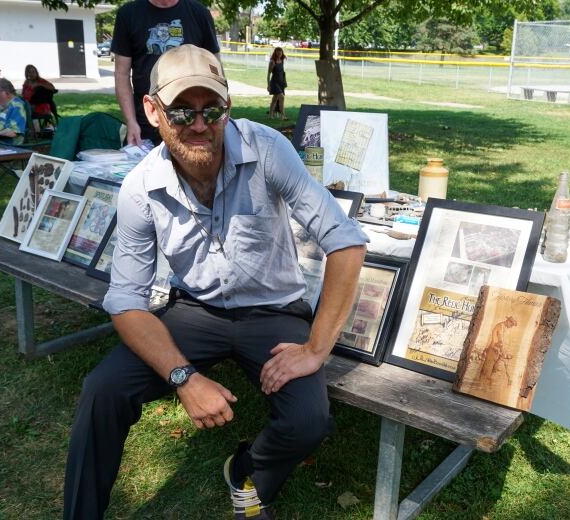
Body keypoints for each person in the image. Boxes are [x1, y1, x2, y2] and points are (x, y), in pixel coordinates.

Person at [62, 45, 368, 520]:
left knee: (309, 421)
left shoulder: (267, 148)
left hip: (274, 311)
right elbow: (125, 299)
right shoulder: (139, 188)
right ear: (152, 110)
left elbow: (345, 243)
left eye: (213, 110)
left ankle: (248, 470)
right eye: (182, 110)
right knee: (102, 389)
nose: (200, 125)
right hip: (195, 311)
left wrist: (314, 350)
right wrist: (182, 377)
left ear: (228, 107)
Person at [111, 0, 221, 146]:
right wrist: (131, 121)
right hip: (146, 122)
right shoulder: (129, 14)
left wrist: (218, 116)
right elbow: (121, 75)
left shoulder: (199, 13)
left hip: (192, 120)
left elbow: (216, 70)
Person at [267, 47, 287, 120]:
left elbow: (282, 72)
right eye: (277, 52)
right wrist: (268, 85)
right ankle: (283, 115)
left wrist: (284, 82)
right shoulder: (272, 62)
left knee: (274, 99)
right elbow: (268, 74)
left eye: (280, 52)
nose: (279, 53)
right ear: (275, 53)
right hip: (274, 82)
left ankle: (270, 115)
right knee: (281, 97)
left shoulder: (282, 60)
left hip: (281, 82)